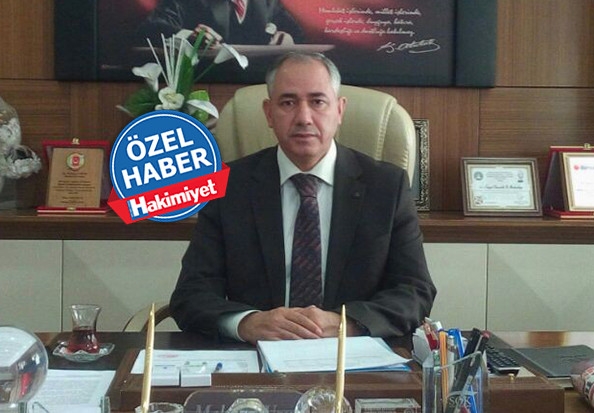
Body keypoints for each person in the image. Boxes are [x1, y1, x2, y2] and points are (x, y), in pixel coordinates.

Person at [170, 52, 436, 345]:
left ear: (339, 110)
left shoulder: (386, 186)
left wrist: (345, 324)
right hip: (256, 356)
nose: (304, 118)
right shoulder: (229, 187)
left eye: (318, 102)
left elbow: (414, 291)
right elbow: (191, 294)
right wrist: (247, 323)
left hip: (352, 356)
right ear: (269, 113)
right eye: (288, 103)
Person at [137, 0, 303, 46]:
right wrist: (189, 38)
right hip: (205, 85)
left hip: (256, 86)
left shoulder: (268, 1)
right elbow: (149, 30)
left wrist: (288, 40)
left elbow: (299, 36)